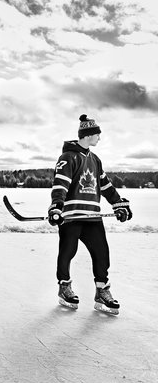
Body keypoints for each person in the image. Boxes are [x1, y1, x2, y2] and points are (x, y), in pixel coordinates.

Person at [48, 114, 132, 314]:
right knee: (68, 252)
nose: (99, 139)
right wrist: (56, 206)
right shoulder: (67, 157)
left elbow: (105, 186)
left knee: (102, 253)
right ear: (87, 135)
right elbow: (61, 184)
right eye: (97, 135)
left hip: (92, 217)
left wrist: (118, 203)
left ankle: (102, 292)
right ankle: (64, 287)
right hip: (71, 216)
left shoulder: (95, 159)